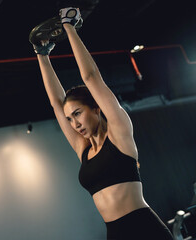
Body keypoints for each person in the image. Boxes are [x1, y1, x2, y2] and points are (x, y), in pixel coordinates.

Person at [32, 7, 174, 240]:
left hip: (145, 229)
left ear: (96, 108)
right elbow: (57, 105)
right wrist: (42, 54)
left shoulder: (119, 133)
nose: (74, 124)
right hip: (115, 234)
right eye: (70, 119)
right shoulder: (84, 149)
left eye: (78, 113)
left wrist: (69, 27)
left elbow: (91, 78)